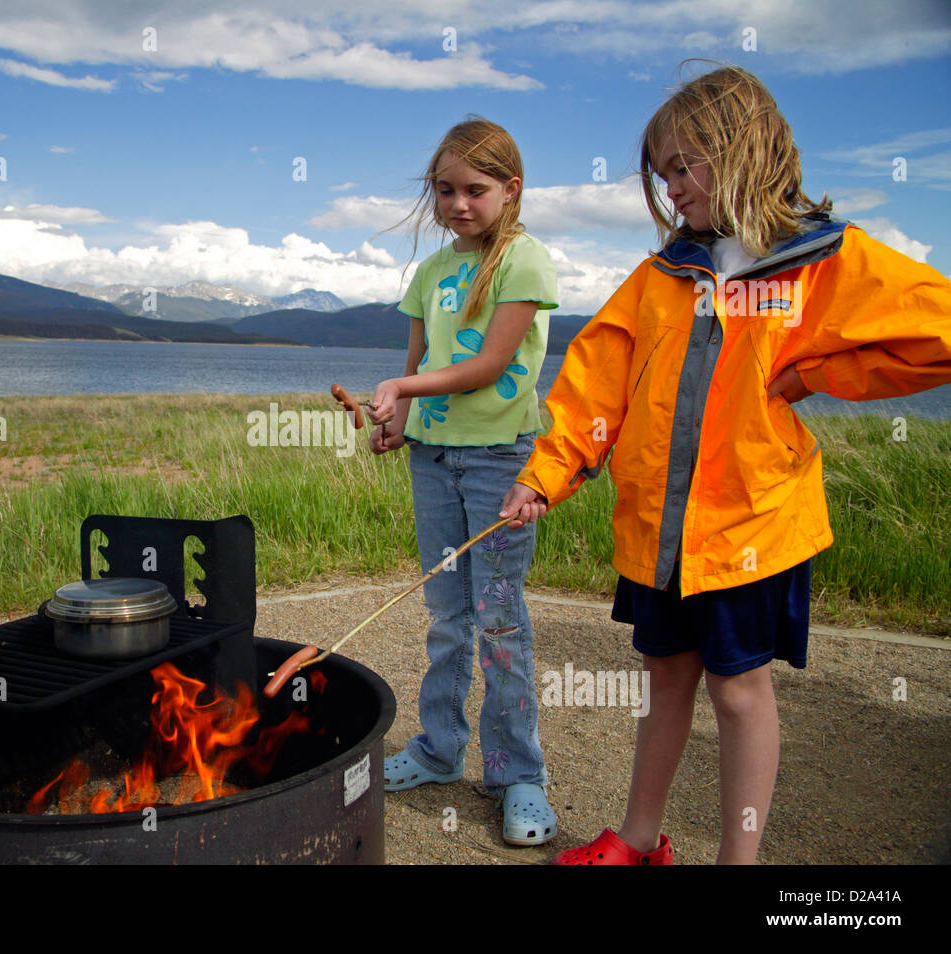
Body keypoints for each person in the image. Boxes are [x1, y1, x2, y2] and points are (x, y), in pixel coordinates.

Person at [500, 65, 951, 864]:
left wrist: (820, 371)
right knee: (664, 675)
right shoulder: (660, 278)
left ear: (746, 151)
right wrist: (548, 473)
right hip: (657, 534)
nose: (672, 189)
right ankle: (640, 839)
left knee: (738, 692)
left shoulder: (821, 264)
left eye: (685, 166)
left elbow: (936, 329)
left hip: (751, 526)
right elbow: (593, 384)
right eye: (663, 173)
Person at [366, 116, 559, 846]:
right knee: (449, 614)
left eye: (475, 190)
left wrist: (400, 381)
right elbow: (416, 371)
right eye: (444, 190)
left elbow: (485, 366)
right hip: (431, 459)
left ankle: (518, 777)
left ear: (511, 189)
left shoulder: (525, 261)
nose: (457, 204)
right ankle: (439, 750)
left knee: (502, 619)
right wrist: (394, 417)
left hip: (499, 460)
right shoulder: (429, 273)